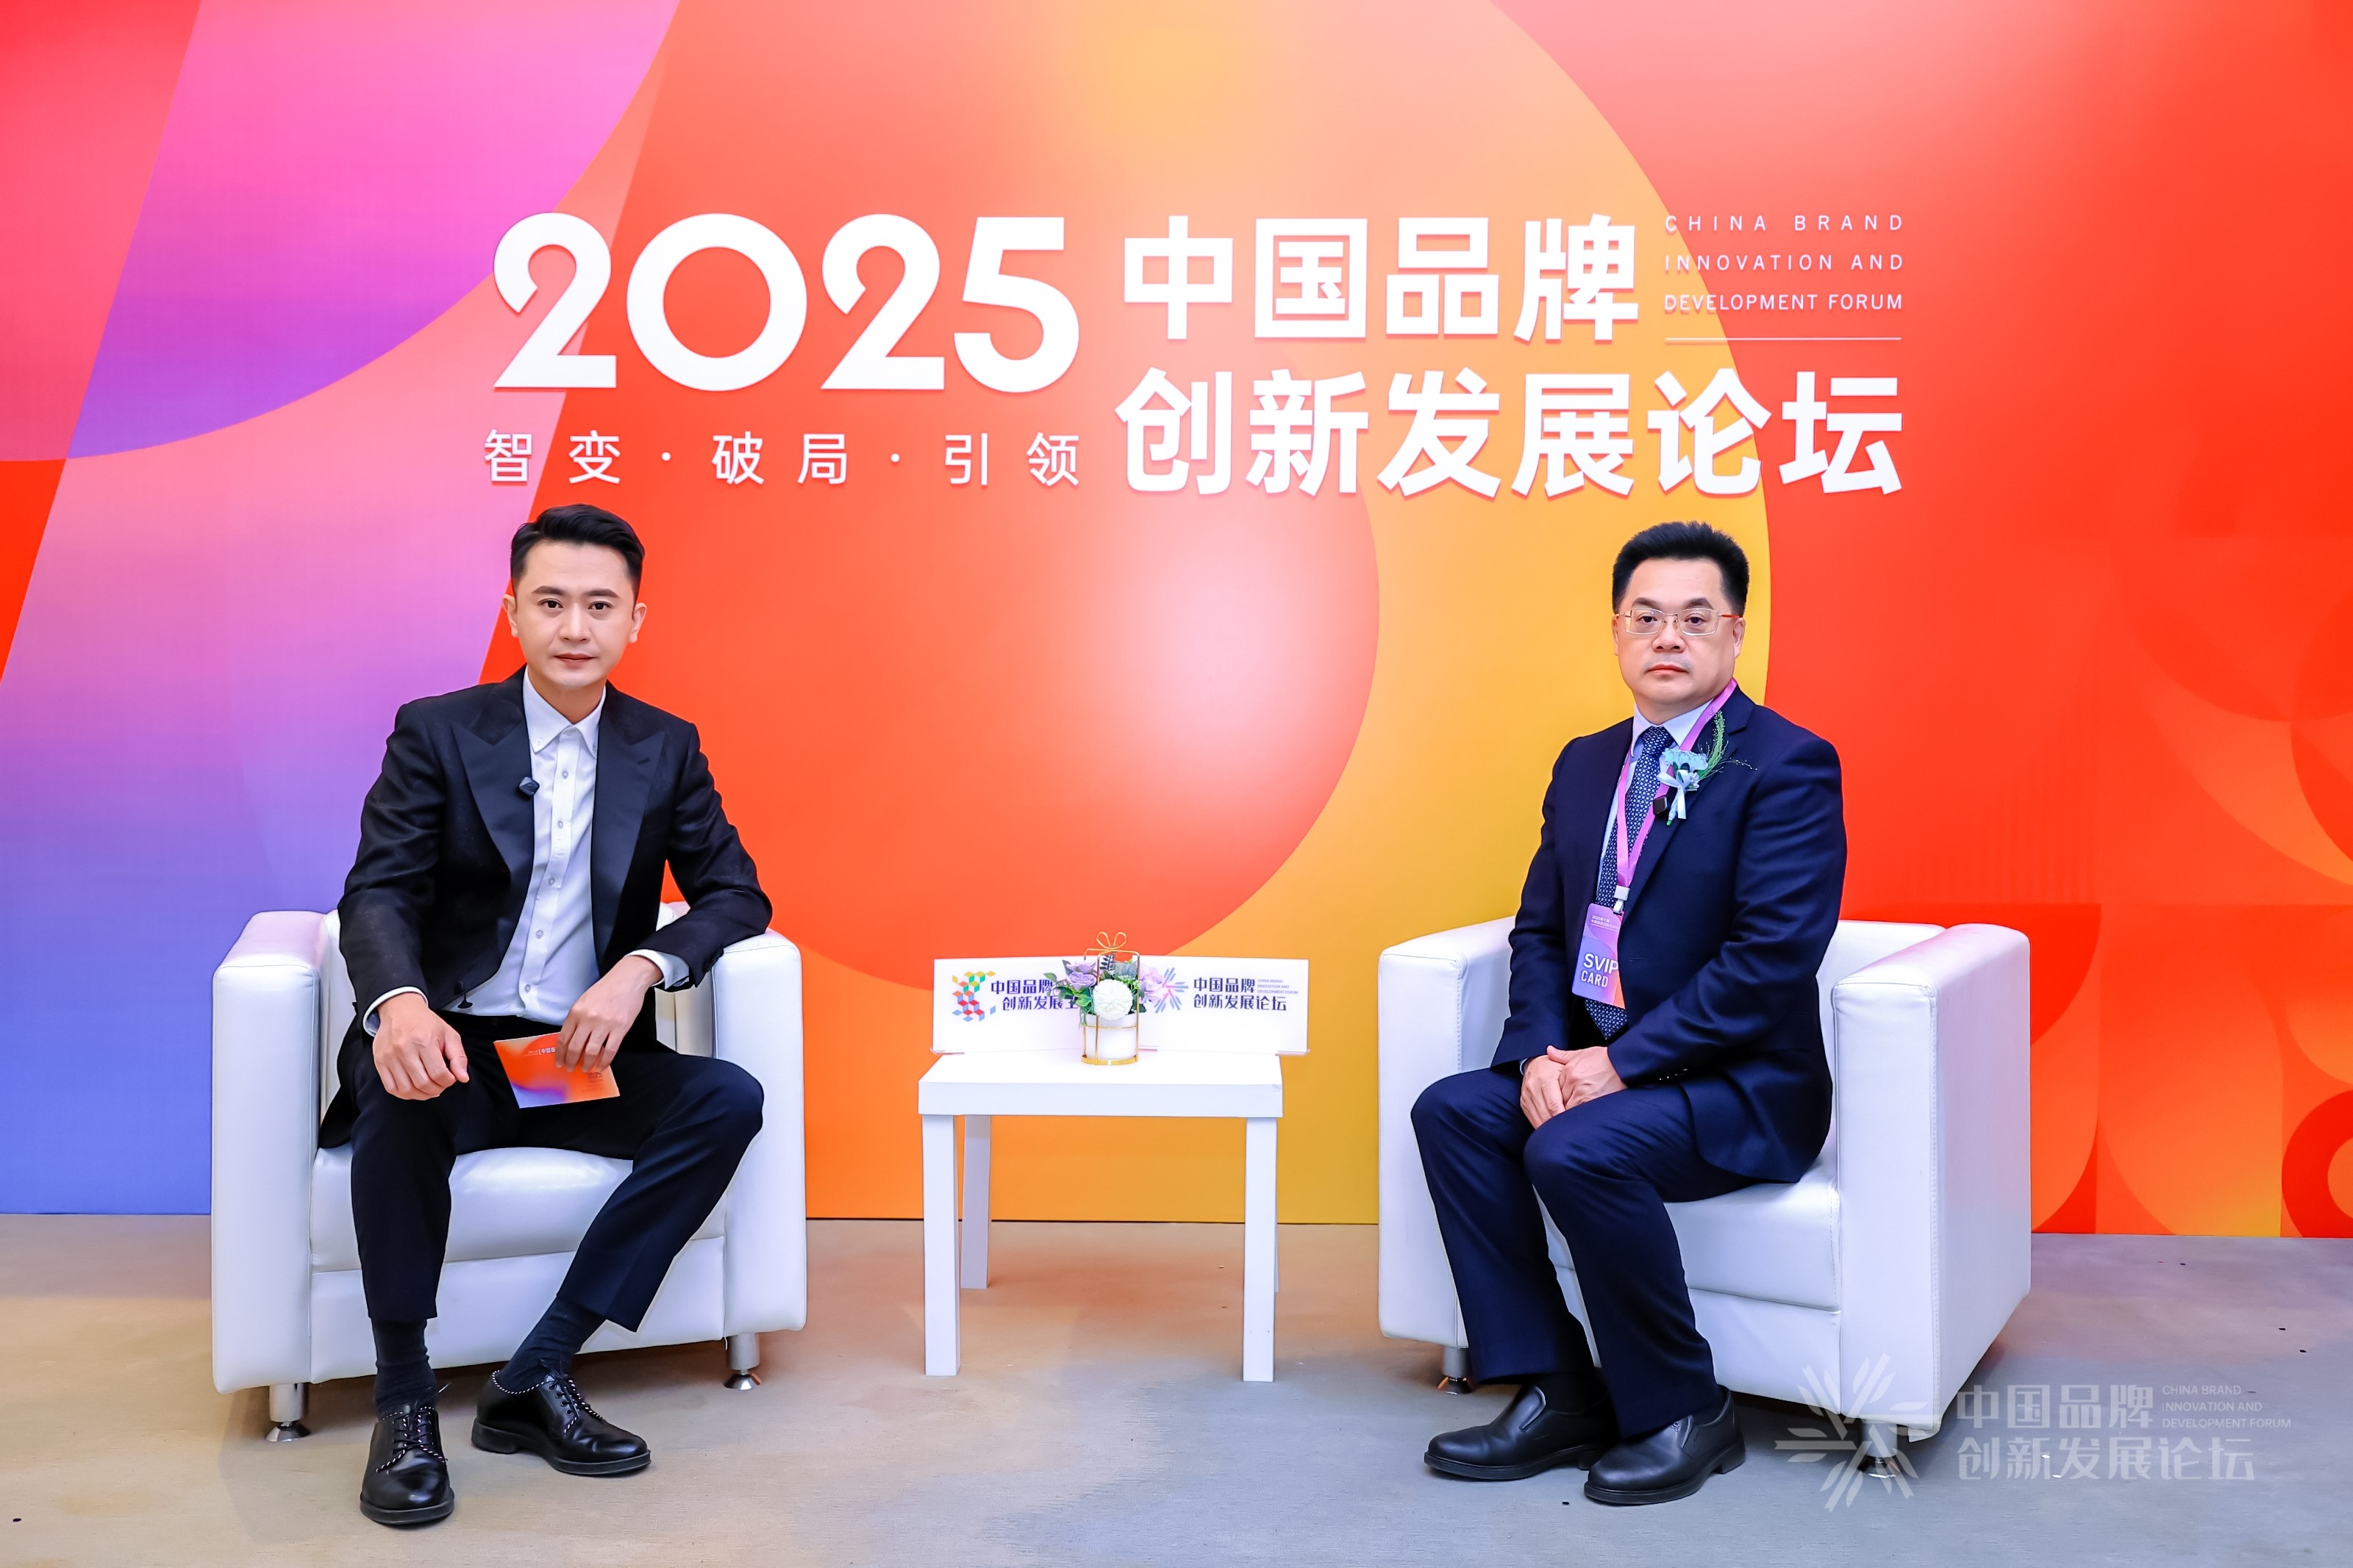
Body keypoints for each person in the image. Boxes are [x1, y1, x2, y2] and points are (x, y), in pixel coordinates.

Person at [326, 504, 771, 1527]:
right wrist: (398, 1005)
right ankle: (404, 1404)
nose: (576, 627)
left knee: (724, 1099)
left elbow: (735, 893)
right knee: (398, 1089)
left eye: (600, 606)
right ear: (514, 612)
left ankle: (536, 1369)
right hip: (452, 1046)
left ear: (635, 621)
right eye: (553, 602)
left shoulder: (665, 746)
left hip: (560, 1061)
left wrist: (642, 968)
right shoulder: (438, 730)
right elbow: (379, 890)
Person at [1411, 520, 1846, 1506]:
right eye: (1646, 618)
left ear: (1735, 634)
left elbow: (1770, 961)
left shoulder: (1787, 764)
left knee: (1576, 1148)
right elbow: (1541, 931)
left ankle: (1687, 1408)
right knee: (1454, 1111)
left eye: (1695, 618)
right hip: (1600, 1064)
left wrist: (1618, 1065)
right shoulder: (1584, 763)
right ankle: (1560, 1388)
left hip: (1739, 1087)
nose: (1668, 638)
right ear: (1616, 633)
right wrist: (1537, 1055)